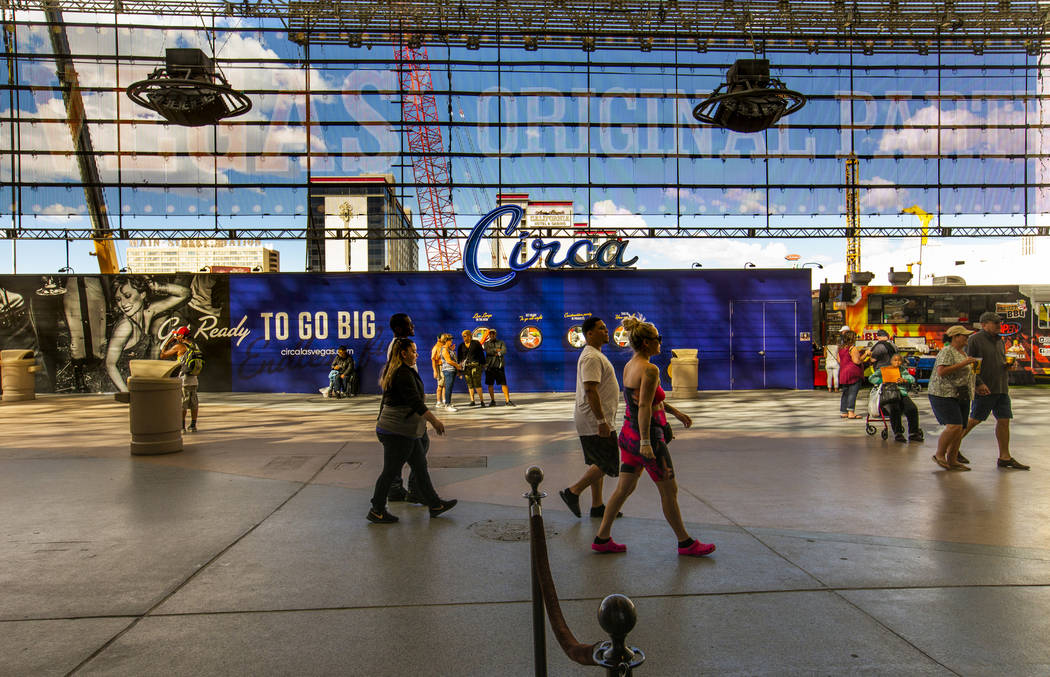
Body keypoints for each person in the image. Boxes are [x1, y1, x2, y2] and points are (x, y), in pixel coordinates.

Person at [592, 316, 715, 558]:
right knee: (669, 490)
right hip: (646, 439)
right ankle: (685, 542)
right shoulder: (650, 369)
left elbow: (642, 400)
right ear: (647, 343)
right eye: (658, 339)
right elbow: (645, 407)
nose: (661, 343)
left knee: (624, 488)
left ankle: (602, 537)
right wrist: (647, 443)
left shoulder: (630, 366)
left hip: (628, 435)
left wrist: (675, 412)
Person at [367, 338, 457, 523]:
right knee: (390, 471)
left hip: (405, 431)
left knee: (420, 467)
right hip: (397, 432)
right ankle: (376, 509)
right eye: (413, 351)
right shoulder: (401, 373)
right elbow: (415, 402)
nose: (417, 354)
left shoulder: (403, 371)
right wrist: (435, 421)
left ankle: (435, 504)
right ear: (403, 353)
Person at [559, 317, 621, 520]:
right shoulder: (591, 357)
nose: (606, 331)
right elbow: (590, 389)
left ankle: (597, 506)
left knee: (597, 462)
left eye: (605, 328)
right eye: (601, 329)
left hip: (596, 419)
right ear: (589, 334)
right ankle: (573, 491)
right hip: (594, 420)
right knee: (608, 462)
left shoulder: (595, 355)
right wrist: (601, 421)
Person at [960, 312, 1030, 470]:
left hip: (1001, 387)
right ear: (984, 324)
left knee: (1004, 420)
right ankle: (951, 448)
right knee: (975, 419)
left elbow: (997, 360)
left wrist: (1007, 365)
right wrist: (978, 383)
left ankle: (1004, 457)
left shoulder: (999, 340)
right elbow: (971, 363)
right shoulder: (975, 339)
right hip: (985, 387)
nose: (999, 326)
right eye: (995, 323)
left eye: (999, 323)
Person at [105, 276, 190, 392]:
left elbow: (185, 293)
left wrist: (156, 286)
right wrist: (126, 392)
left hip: (131, 382)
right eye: (118, 299)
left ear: (142, 294)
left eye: (127, 296)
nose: (123, 304)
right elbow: (110, 364)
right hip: (114, 384)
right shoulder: (125, 326)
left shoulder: (148, 313)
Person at [928, 326, 977, 471]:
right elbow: (941, 372)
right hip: (943, 393)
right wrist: (964, 363)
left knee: (960, 427)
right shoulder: (947, 351)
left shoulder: (962, 352)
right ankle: (939, 454)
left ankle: (953, 459)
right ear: (955, 337)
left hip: (961, 394)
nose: (967, 338)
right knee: (953, 426)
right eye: (964, 336)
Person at [386, 313, 422, 501]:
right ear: (400, 328)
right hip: (405, 410)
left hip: (406, 409)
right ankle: (412, 489)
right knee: (418, 446)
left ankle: (397, 488)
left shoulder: (398, 344)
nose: (412, 326)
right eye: (409, 324)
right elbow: (403, 379)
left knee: (406, 449)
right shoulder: (399, 346)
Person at [867, 353, 921, 443]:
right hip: (888, 393)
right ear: (891, 361)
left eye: (899, 360)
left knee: (912, 409)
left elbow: (911, 378)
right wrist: (882, 380)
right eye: (895, 360)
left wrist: (905, 380)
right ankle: (898, 433)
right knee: (894, 409)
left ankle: (913, 433)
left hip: (901, 393)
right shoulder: (884, 370)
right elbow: (871, 378)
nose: (897, 362)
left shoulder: (902, 370)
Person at [159, 325, 201, 432]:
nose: (176, 336)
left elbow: (162, 355)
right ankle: (193, 425)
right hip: (194, 379)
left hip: (183, 380)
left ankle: (182, 426)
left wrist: (169, 341)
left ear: (182, 335)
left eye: (178, 334)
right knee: (194, 403)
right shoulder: (194, 346)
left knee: (183, 404)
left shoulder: (178, 347)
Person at [837, 330, 865, 419]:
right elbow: (857, 361)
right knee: (852, 393)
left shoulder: (841, 348)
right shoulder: (852, 348)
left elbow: (839, 360)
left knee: (845, 393)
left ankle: (844, 412)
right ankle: (851, 412)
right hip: (853, 373)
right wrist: (866, 354)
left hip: (843, 372)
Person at [483, 329, 515, 407]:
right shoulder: (486, 343)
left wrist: (497, 352)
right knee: (490, 384)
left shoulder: (501, 342)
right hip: (489, 367)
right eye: (490, 334)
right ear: (488, 335)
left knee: (504, 384)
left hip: (499, 367)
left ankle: (508, 401)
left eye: (493, 334)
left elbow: (504, 351)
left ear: (495, 334)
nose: (492, 335)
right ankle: (492, 401)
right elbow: (488, 351)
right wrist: (496, 351)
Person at [456, 329, 487, 407]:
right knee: (469, 384)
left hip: (476, 365)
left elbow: (481, 355)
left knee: (477, 383)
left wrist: (483, 364)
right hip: (466, 367)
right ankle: (472, 400)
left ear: (469, 336)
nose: (463, 338)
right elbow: (459, 358)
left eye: (465, 336)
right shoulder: (461, 345)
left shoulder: (476, 343)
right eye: (462, 336)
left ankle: (482, 401)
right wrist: (459, 370)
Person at [439, 334, 459, 412]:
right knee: (448, 388)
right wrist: (457, 366)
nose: (451, 341)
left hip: (451, 370)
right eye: (450, 340)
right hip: (448, 370)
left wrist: (452, 350)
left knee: (449, 388)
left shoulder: (448, 349)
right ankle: (447, 405)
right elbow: (449, 361)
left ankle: (449, 403)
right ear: (446, 340)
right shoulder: (444, 349)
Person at [430, 334, 447, 408]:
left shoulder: (444, 346)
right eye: (443, 338)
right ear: (439, 338)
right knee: (440, 385)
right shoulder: (436, 347)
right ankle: (438, 402)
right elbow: (433, 359)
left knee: (444, 385)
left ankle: (444, 400)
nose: (445, 339)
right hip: (440, 367)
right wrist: (435, 371)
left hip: (445, 366)